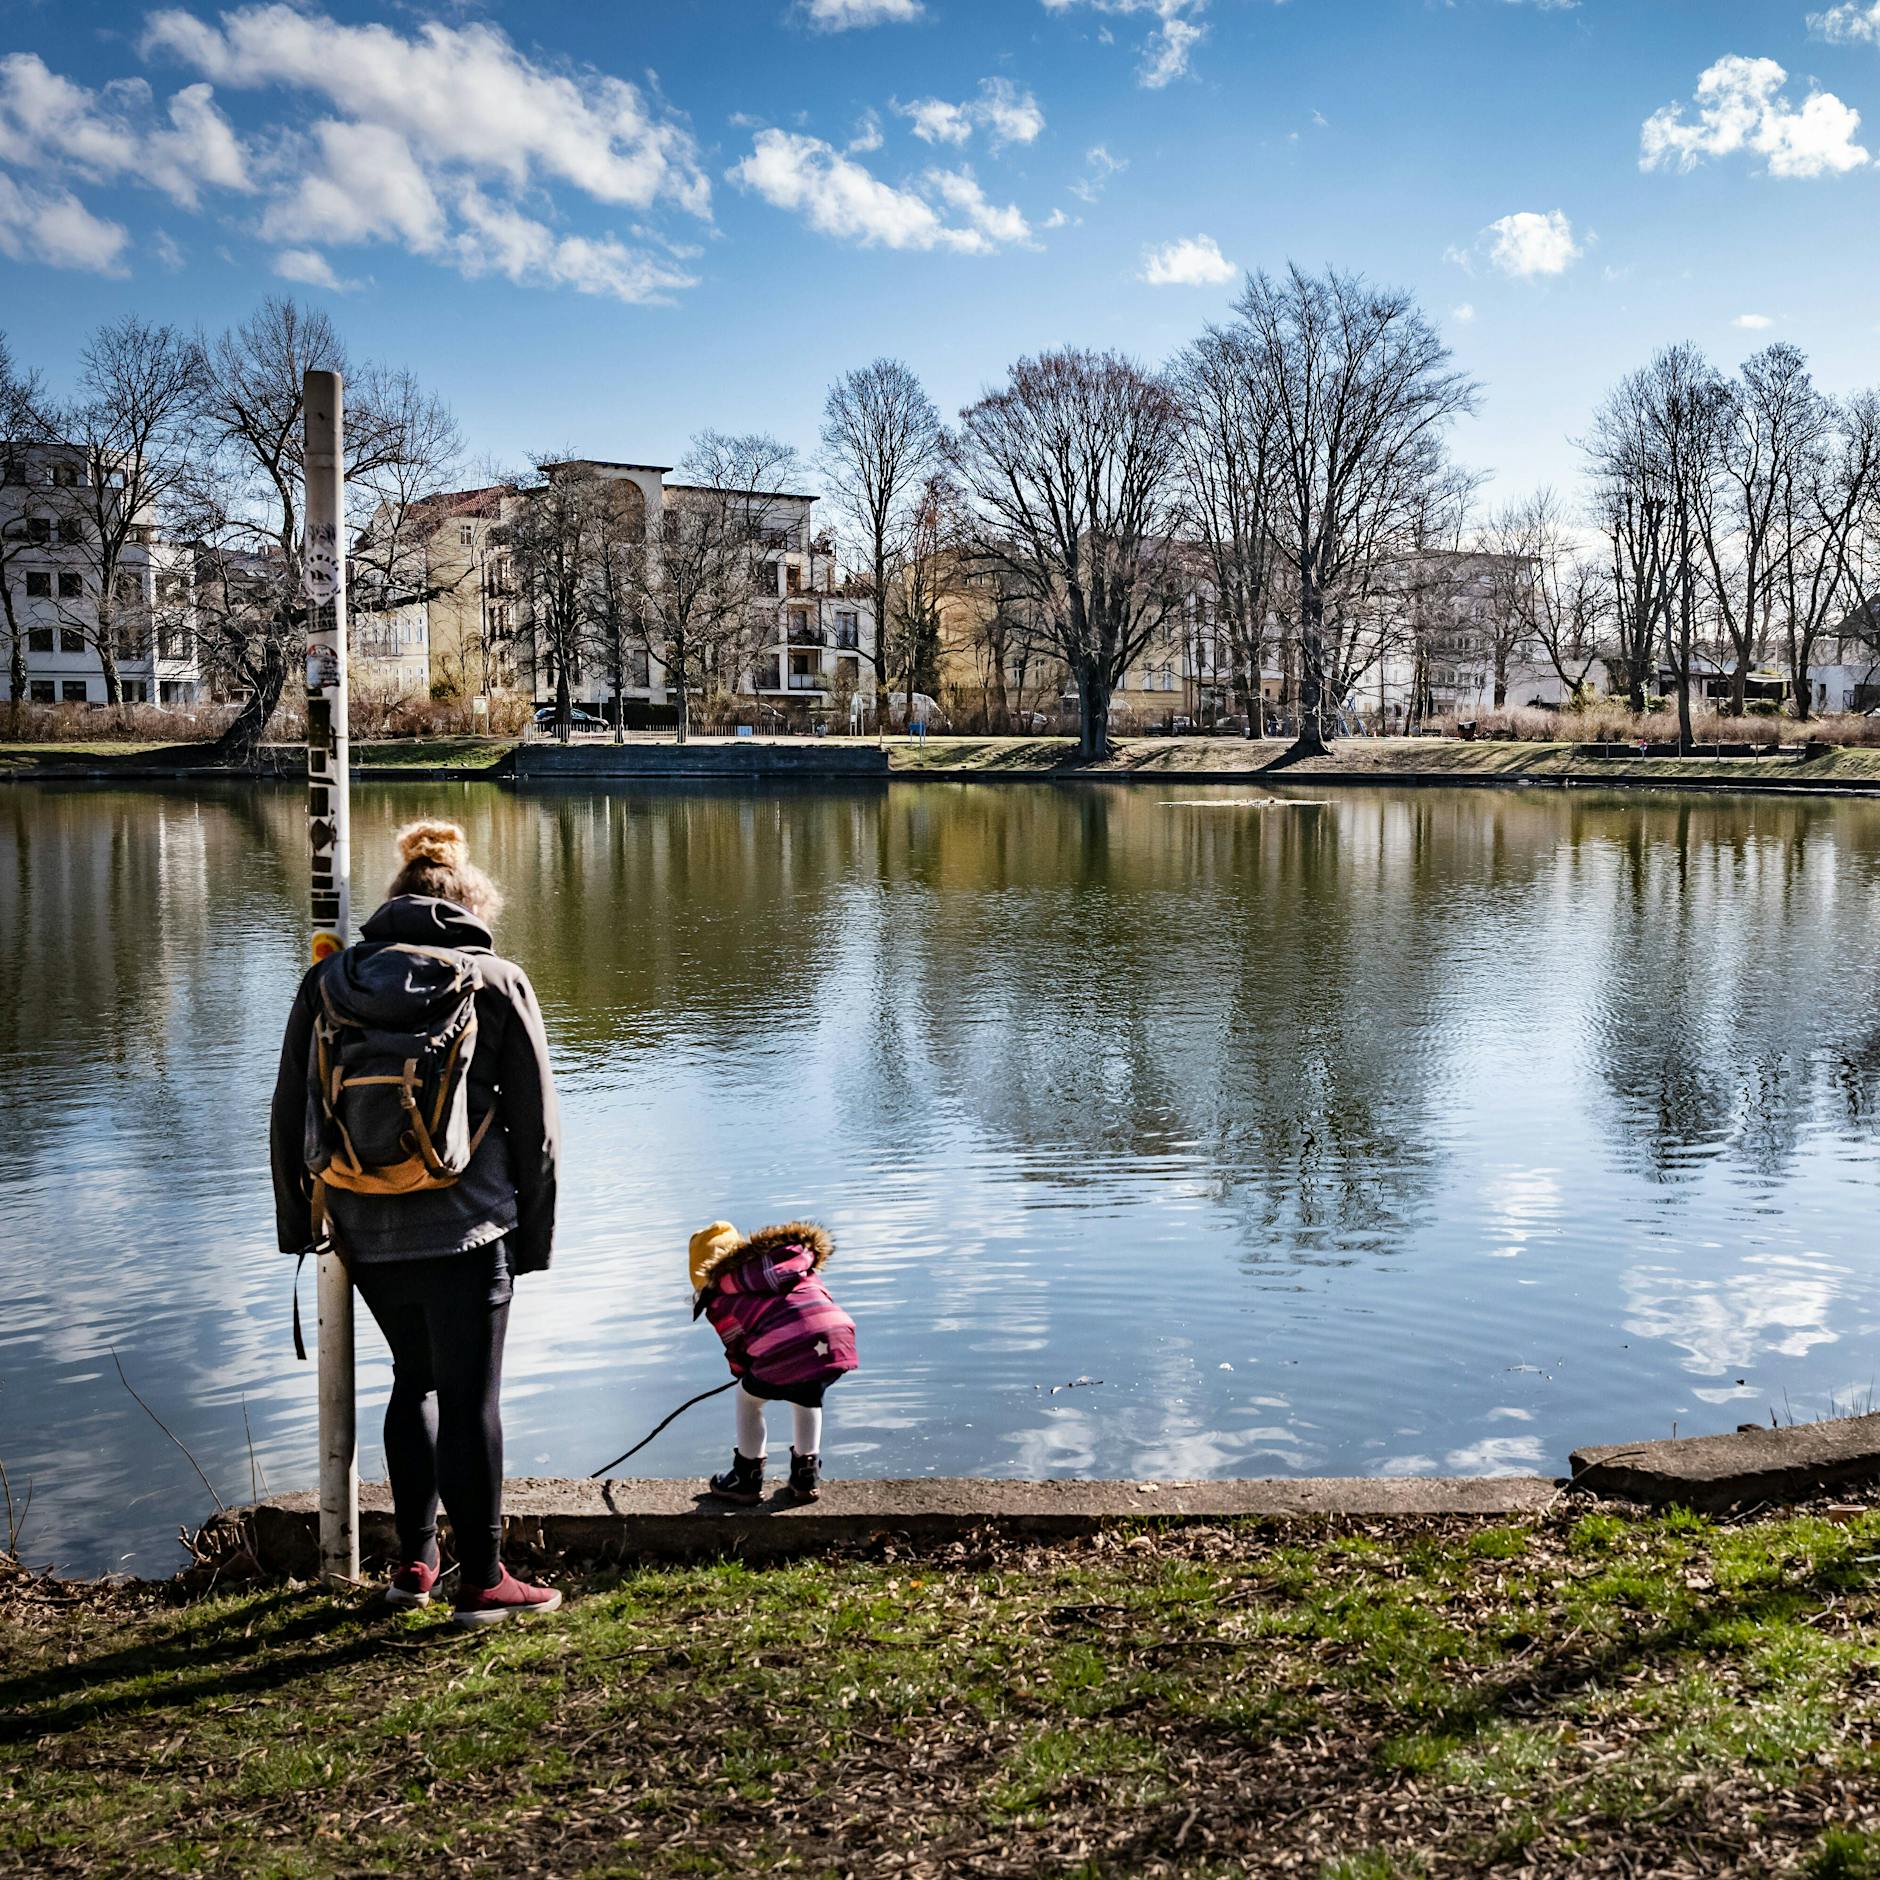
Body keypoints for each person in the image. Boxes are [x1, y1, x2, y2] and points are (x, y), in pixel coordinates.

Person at [271, 820, 562, 1627]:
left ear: (394, 901)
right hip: (469, 1230)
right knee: (471, 1397)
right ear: (472, 903)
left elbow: (291, 1109)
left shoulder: (328, 983)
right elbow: (535, 1132)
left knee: (414, 1381)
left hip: (364, 1226)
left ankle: (416, 1565)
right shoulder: (495, 981)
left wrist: (301, 1226)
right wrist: (530, 1242)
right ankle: (486, 1579)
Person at [689, 1220, 858, 1505]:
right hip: (835, 1337)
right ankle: (806, 1477)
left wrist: (744, 1373)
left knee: (748, 1398)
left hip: (787, 1346)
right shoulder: (788, 1265)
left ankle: (746, 1477)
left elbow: (736, 1347)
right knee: (808, 1396)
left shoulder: (722, 1296)